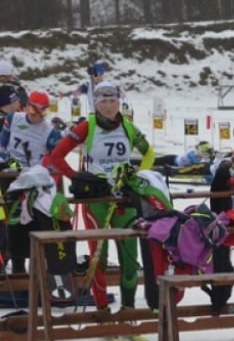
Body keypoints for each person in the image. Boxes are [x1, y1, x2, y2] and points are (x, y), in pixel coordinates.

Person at [45, 80, 166, 310]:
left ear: (119, 102)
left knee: (129, 260)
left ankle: (128, 310)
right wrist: (78, 178)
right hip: (96, 200)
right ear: (96, 104)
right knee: (97, 258)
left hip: (124, 199)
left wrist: (138, 174)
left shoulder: (128, 127)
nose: (109, 106)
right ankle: (102, 311)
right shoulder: (86, 126)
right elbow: (56, 156)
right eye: (104, 102)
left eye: (113, 101)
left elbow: (148, 153)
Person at [0, 90, 63, 274]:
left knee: (35, 223)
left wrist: (47, 172)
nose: (37, 118)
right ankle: (17, 269)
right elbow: (3, 140)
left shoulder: (49, 131)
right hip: (11, 178)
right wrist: (2, 155)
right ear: (27, 107)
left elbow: (56, 157)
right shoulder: (13, 119)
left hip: (35, 182)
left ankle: (37, 272)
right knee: (13, 223)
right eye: (34, 113)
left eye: (42, 114)